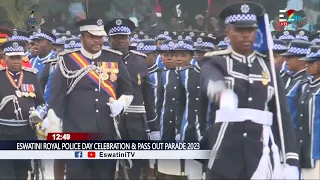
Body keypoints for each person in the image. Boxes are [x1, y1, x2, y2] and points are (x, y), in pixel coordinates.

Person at [200, 2, 299, 179]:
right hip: (225, 153)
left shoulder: (268, 67)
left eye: (250, 31)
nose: (246, 36)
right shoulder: (217, 62)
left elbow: (282, 116)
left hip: (260, 153)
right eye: (239, 30)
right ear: (227, 32)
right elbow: (210, 80)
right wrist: (222, 93)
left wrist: (291, 160)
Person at [45, 18, 133, 180]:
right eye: (93, 36)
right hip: (76, 132)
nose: (98, 40)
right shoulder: (68, 60)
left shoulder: (114, 58)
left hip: (106, 132)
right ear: (82, 37)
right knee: (77, 175)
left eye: (100, 37)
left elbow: (127, 90)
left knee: (104, 175)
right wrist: (54, 125)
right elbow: (56, 96)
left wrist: (122, 103)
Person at [105, 18, 158, 179]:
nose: (120, 40)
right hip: (110, 124)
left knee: (134, 170)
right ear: (109, 39)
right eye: (115, 37)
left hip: (135, 123)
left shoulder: (139, 61)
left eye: (123, 37)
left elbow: (147, 94)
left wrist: (153, 126)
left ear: (129, 39)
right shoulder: (103, 59)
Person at [0, 40, 46, 179]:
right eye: (12, 58)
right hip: (3, 132)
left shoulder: (31, 76)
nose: (16, 61)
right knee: (5, 172)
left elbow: (42, 103)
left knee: (22, 171)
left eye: (19, 57)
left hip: (26, 132)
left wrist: (39, 114)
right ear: (4, 58)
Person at [296, 45, 320, 179]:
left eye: (310, 62)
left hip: (317, 148)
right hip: (305, 145)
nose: (306, 65)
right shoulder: (306, 85)